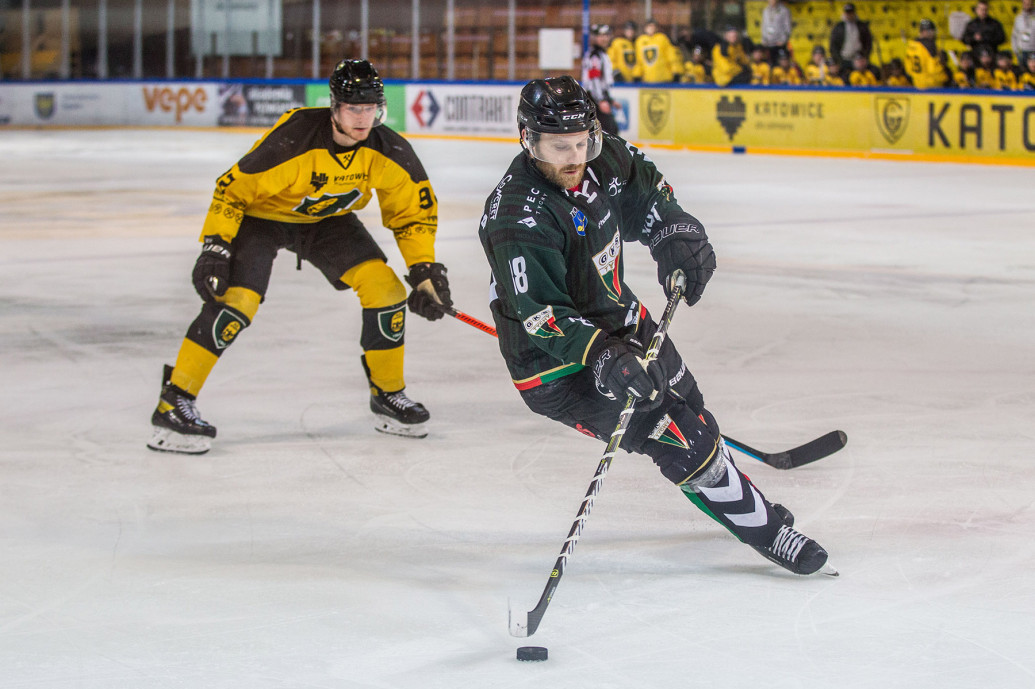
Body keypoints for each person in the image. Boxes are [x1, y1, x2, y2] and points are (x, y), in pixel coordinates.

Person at [476, 76, 835, 577]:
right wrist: (602, 355)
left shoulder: (603, 157)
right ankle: (768, 531)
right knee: (676, 434)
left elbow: (647, 193)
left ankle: (735, 496)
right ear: (528, 140)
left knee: (692, 407)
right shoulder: (518, 216)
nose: (575, 157)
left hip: (623, 318)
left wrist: (673, 231)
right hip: (558, 367)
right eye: (559, 147)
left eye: (582, 142)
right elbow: (544, 316)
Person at [147, 59, 453, 453]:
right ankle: (174, 401)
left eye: (371, 109)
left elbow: (413, 214)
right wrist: (216, 246)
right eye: (353, 109)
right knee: (235, 302)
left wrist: (423, 269)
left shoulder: (390, 150)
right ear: (334, 107)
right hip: (262, 219)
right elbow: (231, 190)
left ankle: (388, 394)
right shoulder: (294, 139)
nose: (363, 119)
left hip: (328, 221)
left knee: (387, 290)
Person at [582, 24, 620, 135]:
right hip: (594, 98)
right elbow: (594, 79)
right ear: (595, 37)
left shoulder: (602, 54)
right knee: (609, 131)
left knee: (609, 130)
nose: (604, 38)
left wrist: (610, 100)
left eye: (606, 35)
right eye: (601, 36)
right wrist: (600, 100)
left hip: (598, 97)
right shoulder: (595, 55)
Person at [635, 17, 684, 83]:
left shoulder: (662, 38)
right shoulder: (640, 41)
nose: (651, 28)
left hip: (664, 79)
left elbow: (672, 56)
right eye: (649, 26)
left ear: (656, 28)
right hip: (648, 80)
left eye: (653, 26)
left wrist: (676, 71)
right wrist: (637, 74)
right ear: (645, 28)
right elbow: (639, 61)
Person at [905, 19, 951, 89]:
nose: (933, 34)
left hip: (917, 84)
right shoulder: (930, 45)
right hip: (931, 85)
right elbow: (933, 69)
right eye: (932, 31)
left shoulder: (911, 45)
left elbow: (908, 68)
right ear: (925, 31)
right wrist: (942, 65)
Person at [829, 3, 873, 75]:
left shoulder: (862, 26)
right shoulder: (838, 27)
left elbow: (868, 43)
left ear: (854, 13)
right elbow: (833, 45)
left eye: (851, 12)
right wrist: (838, 60)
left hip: (859, 59)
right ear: (844, 13)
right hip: (844, 59)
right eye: (847, 12)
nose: (849, 14)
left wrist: (865, 56)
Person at [760, 0, 793, 64]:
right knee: (770, 63)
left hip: (779, 43)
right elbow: (764, 26)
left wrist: (783, 40)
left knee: (780, 63)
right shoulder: (765, 11)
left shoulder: (784, 11)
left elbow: (788, 27)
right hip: (768, 43)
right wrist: (764, 39)